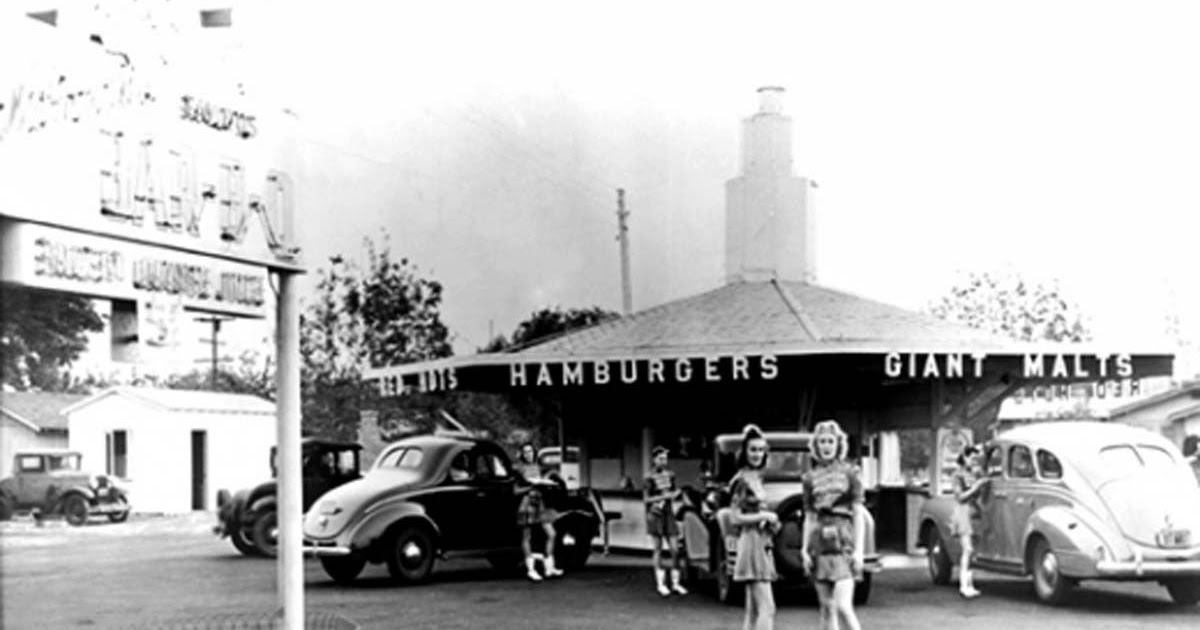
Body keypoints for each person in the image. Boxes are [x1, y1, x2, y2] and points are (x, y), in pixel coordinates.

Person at [801, 419, 864, 630]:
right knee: (826, 607)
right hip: (819, 542)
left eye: (830, 441)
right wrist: (804, 549)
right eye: (822, 442)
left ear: (838, 444)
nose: (826, 446)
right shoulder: (809, 478)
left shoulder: (850, 473)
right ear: (816, 446)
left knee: (843, 606)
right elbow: (809, 516)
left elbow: (858, 513)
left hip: (844, 538)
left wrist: (860, 552)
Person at [728, 424, 781, 630]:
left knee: (752, 609)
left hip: (762, 540)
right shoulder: (741, 481)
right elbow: (734, 517)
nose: (757, 454)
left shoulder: (756, 477)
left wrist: (771, 522)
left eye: (760, 450)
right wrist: (765, 515)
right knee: (767, 608)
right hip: (751, 543)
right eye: (753, 449)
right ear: (745, 452)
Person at [514, 442, 562, 581]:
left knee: (551, 533)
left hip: (540, 502)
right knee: (526, 537)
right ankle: (531, 569)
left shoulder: (537, 467)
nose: (529, 454)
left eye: (531, 451)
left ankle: (549, 566)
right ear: (522, 454)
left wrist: (547, 483)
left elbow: (542, 481)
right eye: (526, 452)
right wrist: (530, 487)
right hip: (527, 502)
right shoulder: (519, 469)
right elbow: (515, 490)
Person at [644, 445, 687, 596]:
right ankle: (660, 583)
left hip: (669, 514)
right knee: (658, 549)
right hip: (655, 514)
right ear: (654, 459)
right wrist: (664, 497)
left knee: (675, 549)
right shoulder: (648, 477)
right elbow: (646, 499)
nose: (664, 461)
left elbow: (673, 492)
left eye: (665, 458)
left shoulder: (671, 475)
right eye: (661, 458)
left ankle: (676, 582)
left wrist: (676, 494)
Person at [951, 445, 987, 598]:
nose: (973, 462)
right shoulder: (957, 475)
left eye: (975, 459)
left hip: (974, 512)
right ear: (964, 457)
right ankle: (963, 584)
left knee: (973, 552)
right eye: (971, 458)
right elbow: (960, 497)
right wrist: (977, 487)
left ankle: (970, 583)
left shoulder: (974, 474)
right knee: (967, 549)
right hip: (963, 512)